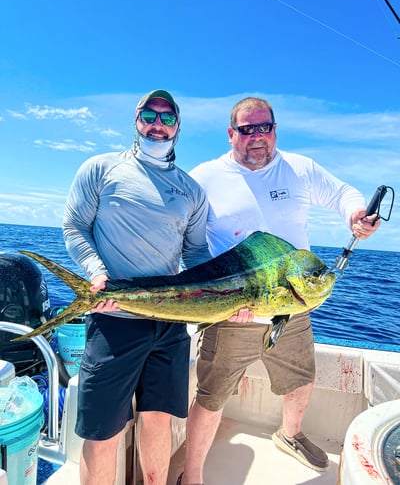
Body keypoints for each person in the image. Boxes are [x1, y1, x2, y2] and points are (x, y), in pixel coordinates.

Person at [177, 96, 380, 485]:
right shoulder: (204, 176)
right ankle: (194, 475)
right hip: (232, 307)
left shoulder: (297, 168)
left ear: (275, 129)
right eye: (247, 129)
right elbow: (180, 231)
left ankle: (290, 434)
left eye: (265, 127)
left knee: (301, 377)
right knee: (212, 395)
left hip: (293, 303)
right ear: (230, 133)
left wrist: (356, 215)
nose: (257, 137)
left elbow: (343, 195)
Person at [63, 89, 212, 485]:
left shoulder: (191, 190)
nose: (156, 125)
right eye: (149, 115)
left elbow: (197, 254)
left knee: (159, 421)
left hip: (169, 322)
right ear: (136, 120)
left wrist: (225, 300)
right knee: (101, 434)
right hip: (114, 322)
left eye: (166, 119)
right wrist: (96, 272)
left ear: (177, 127)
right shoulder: (100, 168)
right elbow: (74, 227)